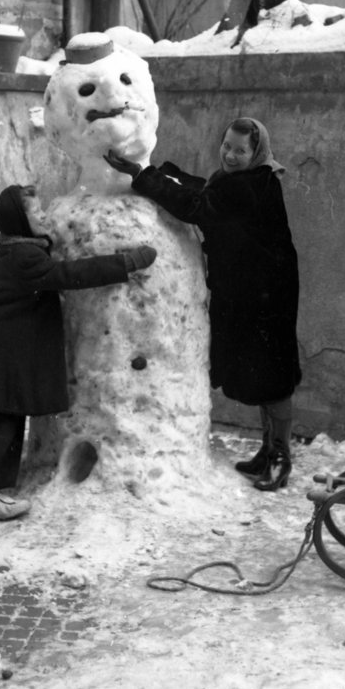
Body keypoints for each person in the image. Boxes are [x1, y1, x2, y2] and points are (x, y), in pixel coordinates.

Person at [0, 183, 157, 520]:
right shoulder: (26, 257)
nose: (45, 217)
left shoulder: (15, 251)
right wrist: (124, 263)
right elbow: (68, 275)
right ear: (21, 223)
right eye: (36, 213)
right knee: (0, 422)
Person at [104, 117, 301, 491]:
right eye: (227, 145)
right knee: (265, 372)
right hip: (254, 288)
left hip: (267, 293)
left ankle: (280, 457)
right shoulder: (249, 177)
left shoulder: (253, 184)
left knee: (274, 377)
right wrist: (164, 174)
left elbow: (198, 205)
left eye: (240, 150)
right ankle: (267, 450)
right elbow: (209, 190)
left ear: (255, 153)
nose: (230, 155)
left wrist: (144, 175)